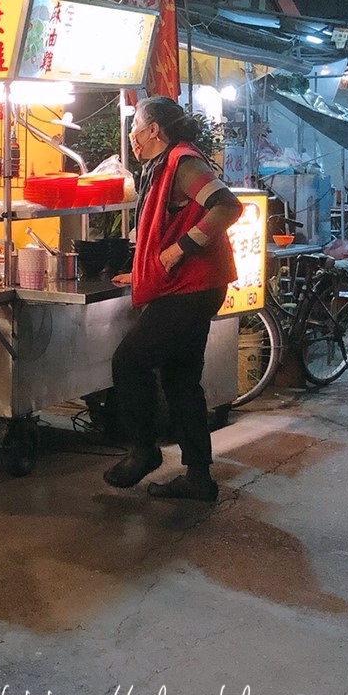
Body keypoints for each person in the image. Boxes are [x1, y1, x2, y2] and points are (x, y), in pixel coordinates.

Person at [104, 97, 241, 502]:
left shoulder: (183, 163)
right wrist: (144, 268)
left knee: (129, 362)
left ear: (154, 131)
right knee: (182, 380)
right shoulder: (162, 167)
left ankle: (143, 450)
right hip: (190, 288)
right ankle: (198, 477)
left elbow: (226, 206)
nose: (132, 137)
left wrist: (180, 249)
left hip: (191, 289)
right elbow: (163, 227)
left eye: (136, 128)